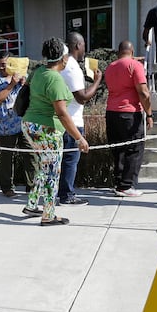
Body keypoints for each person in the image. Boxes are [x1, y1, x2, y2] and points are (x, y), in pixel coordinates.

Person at [22, 37, 89, 226]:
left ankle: (32, 204)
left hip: (30, 125)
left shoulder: (38, 72)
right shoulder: (55, 79)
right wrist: (79, 138)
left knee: (44, 167)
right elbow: (62, 113)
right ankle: (48, 215)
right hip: (47, 129)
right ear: (64, 58)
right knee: (53, 172)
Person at [57, 31, 102, 206]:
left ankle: (61, 193)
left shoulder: (64, 64)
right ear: (77, 45)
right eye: (83, 45)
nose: (85, 49)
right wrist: (98, 80)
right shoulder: (72, 66)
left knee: (64, 161)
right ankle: (67, 195)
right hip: (72, 122)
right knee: (70, 161)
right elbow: (82, 97)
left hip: (64, 120)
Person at [104, 40, 153, 197]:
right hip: (130, 113)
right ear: (132, 52)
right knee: (134, 148)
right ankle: (127, 186)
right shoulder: (135, 66)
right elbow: (144, 93)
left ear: (119, 52)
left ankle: (119, 183)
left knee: (118, 149)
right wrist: (149, 114)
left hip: (111, 112)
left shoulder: (110, 67)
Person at [0, 52, 38, 198]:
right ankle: (7, 187)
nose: (4, 67)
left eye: (7, 64)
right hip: (5, 125)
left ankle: (32, 186)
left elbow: (33, 96)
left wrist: (25, 84)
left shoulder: (24, 77)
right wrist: (12, 84)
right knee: (7, 157)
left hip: (23, 122)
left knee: (30, 155)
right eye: (1, 64)